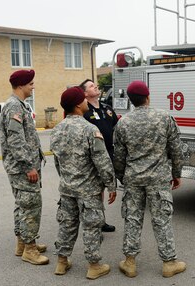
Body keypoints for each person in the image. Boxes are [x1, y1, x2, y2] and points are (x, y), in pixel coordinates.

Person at [113, 80, 186, 278]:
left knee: (132, 218)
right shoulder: (164, 117)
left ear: (130, 101)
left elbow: (118, 156)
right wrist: (176, 173)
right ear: (147, 97)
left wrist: (121, 176)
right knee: (161, 219)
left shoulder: (123, 122)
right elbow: (176, 149)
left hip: (133, 179)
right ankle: (169, 262)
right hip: (158, 178)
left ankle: (129, 262)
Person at [50, 86, 117, 279]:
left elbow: (57, 161)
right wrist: (111, 185)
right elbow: (102, 160)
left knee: (67, 224)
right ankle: (94, 265)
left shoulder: (57, 129)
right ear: (78, 105)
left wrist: (66, 179)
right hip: (88, 190)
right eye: (83, 100)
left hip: (67, 187)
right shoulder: (90, 129)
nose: (87, 102)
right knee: (91, 226)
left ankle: (61, 262)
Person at [0, 69, 48, 265]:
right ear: (20, 85)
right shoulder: (14, 107)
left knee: (23, 204)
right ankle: (30, 249)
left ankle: (23, 242)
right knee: (31, 206)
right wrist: (29, 166)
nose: (33, 86)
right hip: (22, 168)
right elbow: (16, 140)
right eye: (30, 83)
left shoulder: (20, 105)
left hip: (20, 166)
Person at [79, 79, 118, 233]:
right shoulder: (83, 111)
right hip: (92, 155)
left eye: (95, 84)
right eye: (91, 86)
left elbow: (116, 127)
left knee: (101, 186)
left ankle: (100, 220)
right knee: (94, 189)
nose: (95, 86)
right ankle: (92, 220)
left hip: (109, 152)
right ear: (85, 93)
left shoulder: (106, 108)